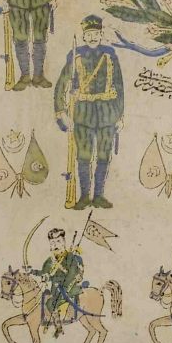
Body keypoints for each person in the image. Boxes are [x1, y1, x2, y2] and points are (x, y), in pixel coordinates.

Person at [52, 14, 125, 209]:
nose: (93, 37)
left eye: (96, 34)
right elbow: (61, 84)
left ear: (101, 35)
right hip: (82, 114)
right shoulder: (75, 55)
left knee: (103, 155)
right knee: (83, 157)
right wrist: (61, 112)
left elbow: (119, 85)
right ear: (84, 36)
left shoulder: (110, 55)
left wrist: (120, 116)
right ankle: (84, 197)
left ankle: (98, 196)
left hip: (107, 114)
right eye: (89, 34)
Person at [38, 225, 83, 335]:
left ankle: (59, 328)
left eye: (58, 241)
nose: (55, 245)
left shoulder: (70, 257)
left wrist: (64, 285)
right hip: (55, 289)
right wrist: (43, 276)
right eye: (52, 242)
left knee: (50, 303)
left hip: (69, 288)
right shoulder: (49, 260)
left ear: (64, 242)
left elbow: (72, 274)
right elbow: (45, 272)